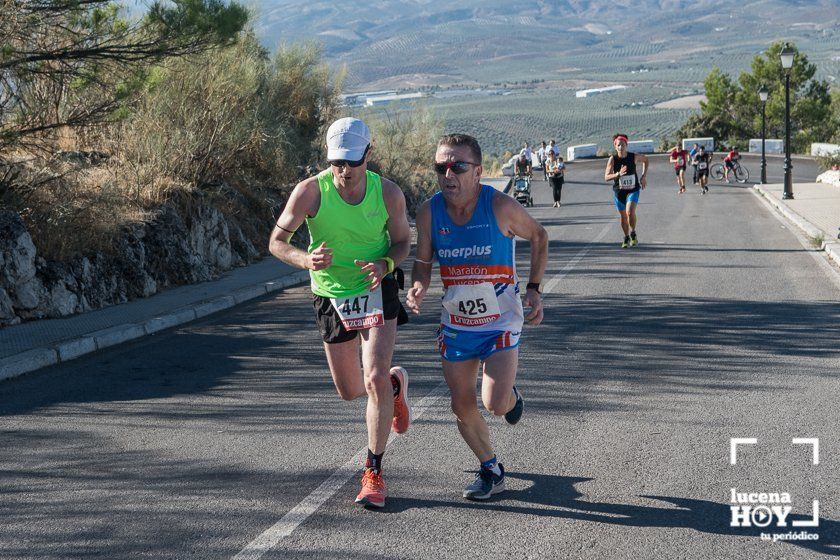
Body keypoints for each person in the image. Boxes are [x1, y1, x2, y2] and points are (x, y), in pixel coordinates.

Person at [268, 117, 412, 509]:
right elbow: (277, 242)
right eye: (336, 162)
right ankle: (395, 389)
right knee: (351, 391)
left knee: (373, 377)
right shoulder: (310, 192)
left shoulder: (389, 194)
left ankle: (374, 472)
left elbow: (402, 242)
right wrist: (305, 259)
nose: (343, 170)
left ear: (370, 152)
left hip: (376, 287)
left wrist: (385, 265)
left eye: (351, 161)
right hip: (331, 294)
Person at [407, 133, 548, 501]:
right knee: (460, 404)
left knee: (495, 404)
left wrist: (534, 288)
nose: (448, 173)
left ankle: (511, 396)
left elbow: (539, 236)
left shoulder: (500, 207)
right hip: (457, 324)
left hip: (499, 322)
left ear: (478, 172)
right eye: (441, 167)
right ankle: (491, 469)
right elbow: (423, 263)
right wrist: (419, 285)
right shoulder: (429, 211)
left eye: (458, 166)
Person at [604, 133, 649, 248]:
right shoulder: (612, 159)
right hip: (619, 192)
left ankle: (633, 232)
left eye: (623, 145)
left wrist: (643, 176)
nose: (621, 147)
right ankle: (626, 237)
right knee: (623, 216)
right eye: (618, 145)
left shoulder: (633, 157)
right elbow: (606, 177)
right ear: (615, 146)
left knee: (630, 212)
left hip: (633, 190)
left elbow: (646, 160)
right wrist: (617, 174)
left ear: (626, 145)